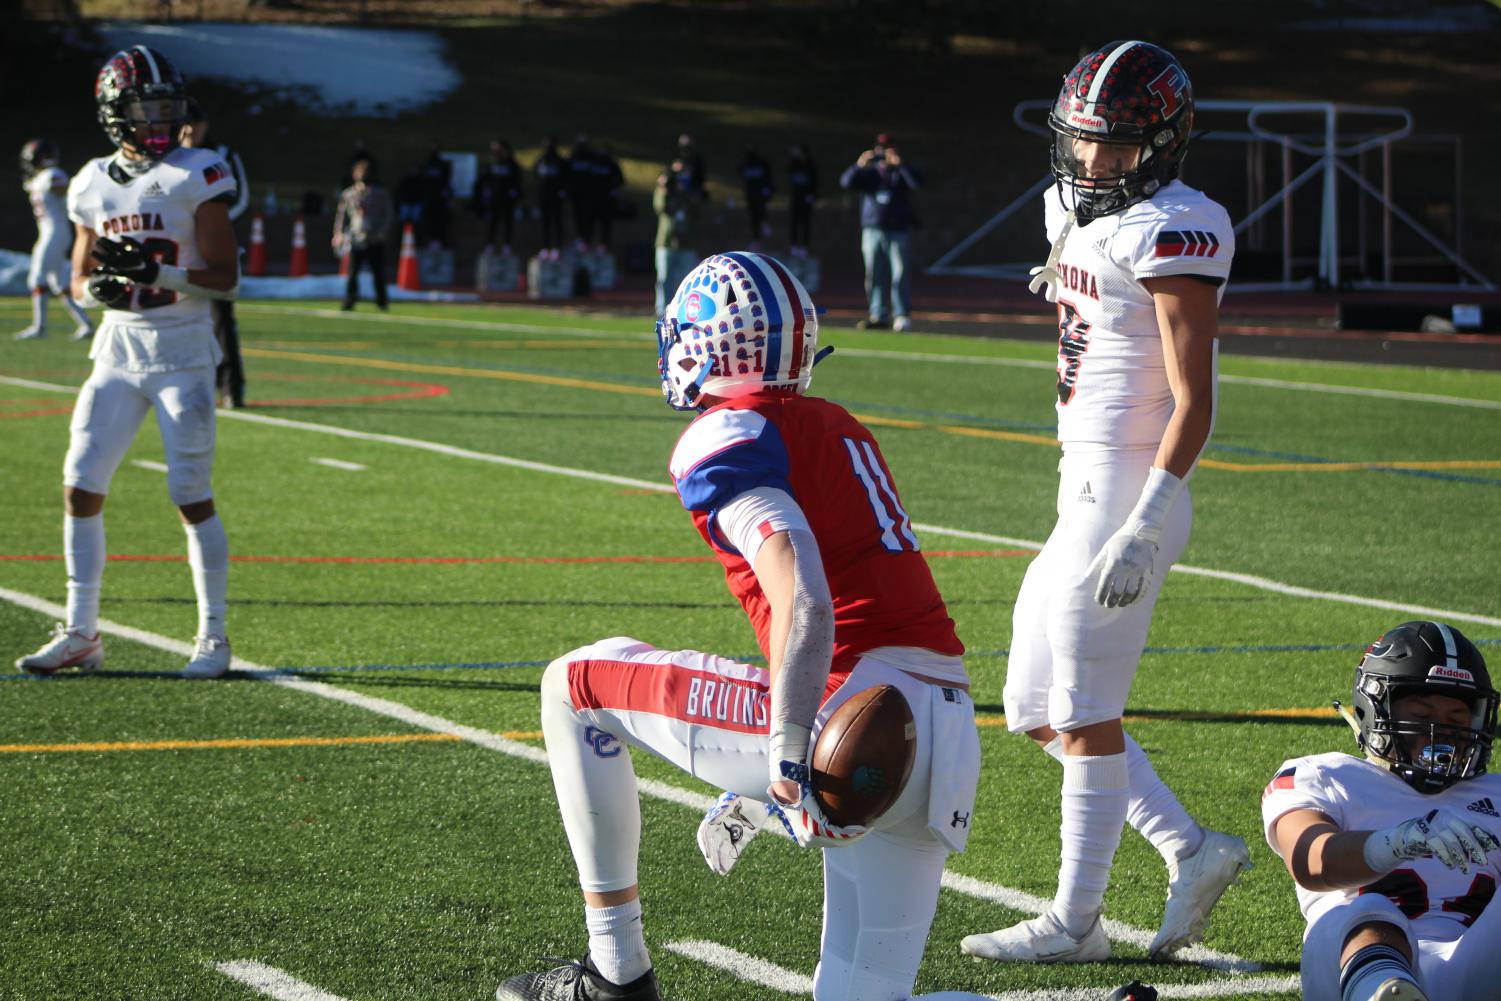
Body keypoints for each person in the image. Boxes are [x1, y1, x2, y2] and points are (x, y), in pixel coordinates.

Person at [495, 251, 985, 1001]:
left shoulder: (726, 432)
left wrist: (783, 753)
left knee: (572, 684)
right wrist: (764, 778)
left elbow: (806, 596)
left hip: (845, 719)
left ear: (705, 343)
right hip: (939, 735)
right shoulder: (836, 425)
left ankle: (612, 973)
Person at [961, 41, 1249, 965]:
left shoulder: (1177, 225)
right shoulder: (1069, 204)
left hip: (1127, 491)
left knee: (1083, 709)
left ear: (1163, 148)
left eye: (1117, 148)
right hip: (1075, 486)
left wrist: (1147, 518)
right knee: (1029, 706)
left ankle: (1075, 921)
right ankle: (1189, 847)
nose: (1093, 164)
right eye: (1083, 143)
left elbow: (1195, 401)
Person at [15, 45, 239, 680]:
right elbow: (82, 278)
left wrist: (157, 270)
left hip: (182, 350)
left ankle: (214, 637)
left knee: (189, 494)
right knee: (80, 484)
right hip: (116, 349)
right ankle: (82, 631)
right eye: (147, 107)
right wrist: (99, 290)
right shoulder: (88, 182)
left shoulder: (199, 171)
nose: (160, 120)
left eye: (168, 107)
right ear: (115, 112)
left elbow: (226, 280)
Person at [1263, 621, 1501, 1001]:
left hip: (1477, 972)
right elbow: (1309, 859)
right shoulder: (1327, 774)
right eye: (1421, 717)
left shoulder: (1496, 792)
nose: (1439, 733)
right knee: (1369, 909)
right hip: (1353, 976)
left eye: (1456, 721)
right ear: (1376, 712)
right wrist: (1395, 843)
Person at [180, 99, 248, 409]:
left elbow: (242, 198)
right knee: (179, 315)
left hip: (215, 245)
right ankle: (189, 384)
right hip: (179, 249)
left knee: (221, 318)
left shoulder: (223, 156)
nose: (191, 129)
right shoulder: (168, 158)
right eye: (186, 122)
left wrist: (210, 226)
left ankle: (231, 386)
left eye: (197, 123)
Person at [839, 134, 921, 332]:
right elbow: (846, 182)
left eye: (887, 148)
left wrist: (900, 165)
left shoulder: (901, 172)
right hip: (872, 229)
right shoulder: (870, 173)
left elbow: (915, 184)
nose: (883, 152)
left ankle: (901, 315)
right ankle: (878, 313)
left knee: (899, 273)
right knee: (874, 273)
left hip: (897, 230)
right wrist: (859, 165)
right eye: (880, 148)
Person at [14, 138, 93, 341]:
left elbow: (66, 192)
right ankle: (86, 325)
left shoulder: (53, 175)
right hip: (50, 231)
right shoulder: (41, 177)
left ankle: (39, 327)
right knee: (59, 283)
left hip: (55, 232)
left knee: (37, 279)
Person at [332, 156, 392, 312]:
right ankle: (350, 299)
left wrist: (382, 232)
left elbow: (388, 214)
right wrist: (338, 234)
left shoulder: (380, 194)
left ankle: (382, 301)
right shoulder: (349, 194)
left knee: (378, 271)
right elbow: (342, 216)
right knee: (353, 272)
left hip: (374, 238)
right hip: (356, 238)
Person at [651, 164, 697, 314]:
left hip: (687, 244)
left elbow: (698, 209)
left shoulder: (690, 193)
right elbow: (660, 207)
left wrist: (687, 191)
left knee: (687, 280)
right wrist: (664, 187)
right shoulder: (665, 193)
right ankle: (662, 310)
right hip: (666, 242)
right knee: (664, 279)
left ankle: (686, 310)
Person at [473, 139, 523, 255]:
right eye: (495, 149)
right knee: (492, 223)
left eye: (499, 149)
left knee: (507, 223)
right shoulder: (491, 164)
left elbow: (518, 182)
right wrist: (484, 193)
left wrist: (514, 193)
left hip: (507, 200)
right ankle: (489, 245)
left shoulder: (512, 165)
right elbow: (481, 180)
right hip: (494, 200)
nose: (497, 152)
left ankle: (507, 245)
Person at [567, 133, 602, 252]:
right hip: (576, 193)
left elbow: (597, 176)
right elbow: (568, 175)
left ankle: (587, 240)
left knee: (589, 217)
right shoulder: (574, 156)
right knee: (577, 216)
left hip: (589, 194)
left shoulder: (592, 157)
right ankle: (579, 239)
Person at [534, 136, 568, 260]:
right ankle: (545, 248)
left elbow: (566, 178)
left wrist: (562, 191)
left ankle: (557, 248)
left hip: (557, 197)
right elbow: (536, 174)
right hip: (544, 197)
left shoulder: (560, 161)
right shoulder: (541, 160)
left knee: (557, 222)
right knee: (545, 223)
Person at [418, 143, 453, 248]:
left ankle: (440, 240)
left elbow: (447, 181)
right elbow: (422, 181)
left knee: (440, 220)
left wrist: (446, 194)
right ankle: (429, 240)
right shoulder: (426, 165)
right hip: (428, 197)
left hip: (440, 199)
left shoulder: (443, 165)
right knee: (428, 220)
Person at [788, 143, 818, 257]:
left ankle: (804, 246)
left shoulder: (810, 166)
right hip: (796, 199)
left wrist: (813, 195)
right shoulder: (794, 165)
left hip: (806, 200)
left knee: (805, 224)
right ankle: (794, 246)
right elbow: (789, 172)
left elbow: (815, 182)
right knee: (794, 223)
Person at [740, 144, 773, 246]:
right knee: (753, 216)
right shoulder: (746, 164)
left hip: (760, 193)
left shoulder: (761, 164)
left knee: (761, 210)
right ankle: (756, 238)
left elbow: (768, 177)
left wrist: (767, 188)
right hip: (751, 193)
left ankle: (764, 224)